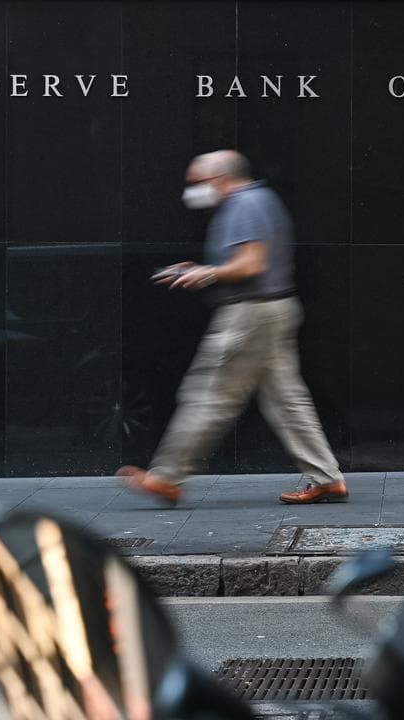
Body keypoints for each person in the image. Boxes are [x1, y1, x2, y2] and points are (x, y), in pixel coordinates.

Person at [116, 150, 347, 505]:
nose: (191, 191)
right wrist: (199, 267)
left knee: (208, 394)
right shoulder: (260, 199)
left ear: (221, 178)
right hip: (273, 310)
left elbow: (252, 264)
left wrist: (206, 273)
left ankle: (167, 477)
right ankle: (328, 478)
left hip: (251, 316)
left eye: (197, 182)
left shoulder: (244, 205)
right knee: (287, 402)